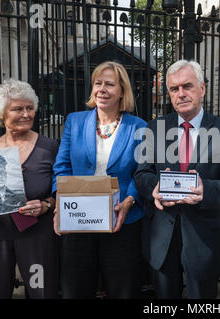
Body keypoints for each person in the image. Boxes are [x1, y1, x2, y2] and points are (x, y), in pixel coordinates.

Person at [133, 60, 220, 299]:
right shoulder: (154, 128)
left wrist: (207, 190)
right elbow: (141, 174)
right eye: (174, 89)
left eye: (187, 86)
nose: (180, 94)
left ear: (202, 89)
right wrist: (155, 188)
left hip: (205, 236)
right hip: (162, 234)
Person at [52, 61, 146, 298]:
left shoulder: (139, 127)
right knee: (76, 289)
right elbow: (62, 167)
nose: (102, 89)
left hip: (121, 221)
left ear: (122, 91)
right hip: (78, 220)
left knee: (123, 289)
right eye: (98, 83)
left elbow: (142, 172)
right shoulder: (75, 121)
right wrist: (59, 205)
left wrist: (130, 201)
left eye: (110, 84)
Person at [0, 79, 60, 298]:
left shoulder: (49, 147)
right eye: (18, 109)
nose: (26, 114)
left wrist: (46, 204)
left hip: (37, 236)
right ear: (2, 115)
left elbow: (61, 192)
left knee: (42, 292)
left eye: (30, 108)